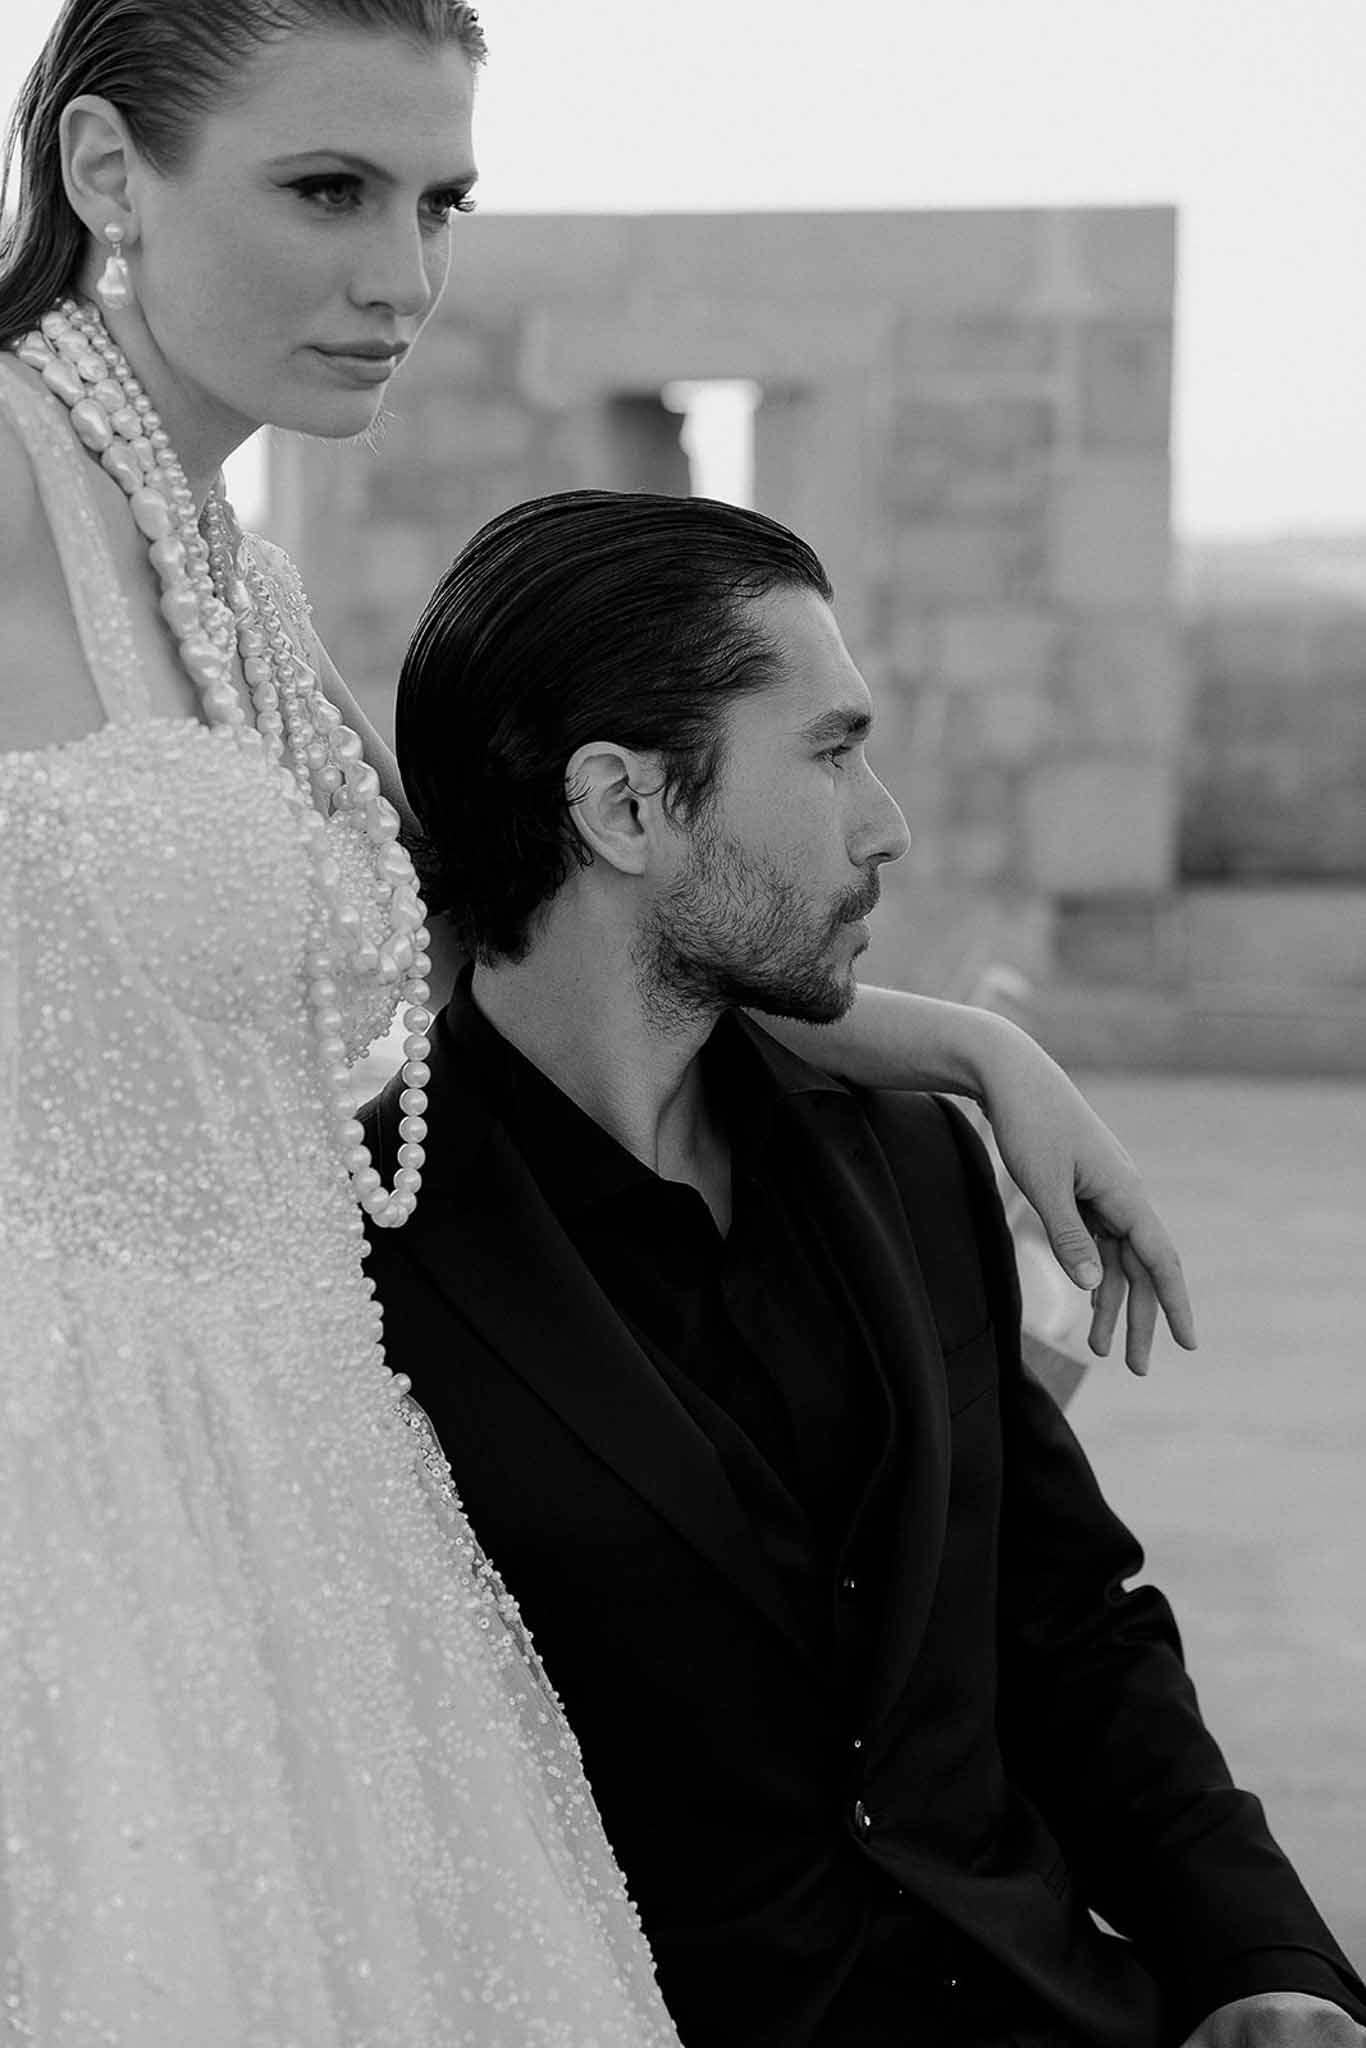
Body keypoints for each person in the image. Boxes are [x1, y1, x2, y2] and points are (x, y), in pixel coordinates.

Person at [0, 0, 1190, 2034]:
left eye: (438, 201)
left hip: (304, 1518)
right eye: (326, 190)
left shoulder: (243, 584)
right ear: (109, 171)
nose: (401, 275)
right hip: (68, 1507)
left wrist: (953, 1043)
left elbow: (435, 969)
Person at [364, 489, 1366, 2048]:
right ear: (624, 808)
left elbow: (1065, 1621)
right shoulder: (355, 1253)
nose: (883, 819)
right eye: (830, 753)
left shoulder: (905, 1155)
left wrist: (1267, 1968)